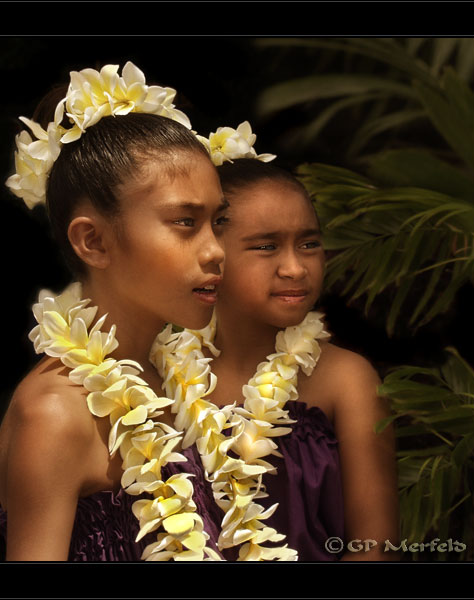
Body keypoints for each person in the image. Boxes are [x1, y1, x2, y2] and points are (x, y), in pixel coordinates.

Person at [0, 61, 229, 561]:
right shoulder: (54, 413)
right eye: (185, 222)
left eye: (217, 221)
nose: (215, 251)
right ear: (93, 240)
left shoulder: (179, 379)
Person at [150, 127, 400, 561]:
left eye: (309, 244)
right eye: (266, 247)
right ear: (211, 254)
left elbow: (374, 549)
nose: (295, 268)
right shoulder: (154, 380)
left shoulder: (346, 381)